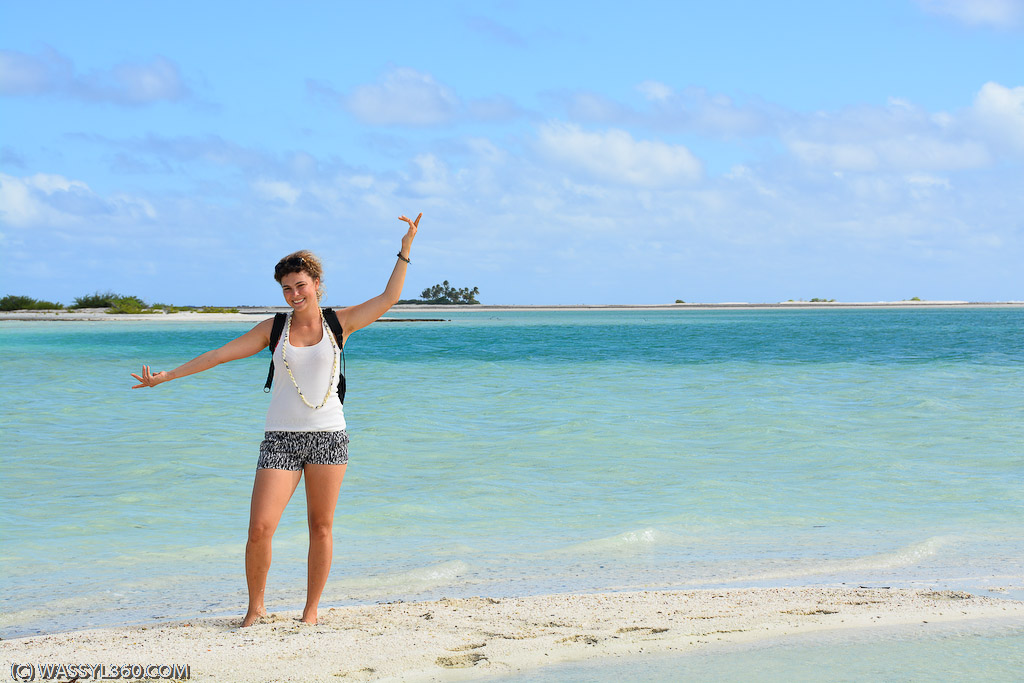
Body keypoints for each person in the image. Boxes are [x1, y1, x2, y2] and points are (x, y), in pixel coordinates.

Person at [131, 213, 420, 626]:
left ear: (317, 284)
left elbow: (389, 297)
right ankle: (255, 608)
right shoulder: (274, 328)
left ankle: (311, 611)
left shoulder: (340, 323)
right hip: (279, 439)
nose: (294, 294)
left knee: (321, 527)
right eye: (287, 288)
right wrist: (167, 376)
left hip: (328, 437)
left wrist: (405, 248)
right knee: (260, 528)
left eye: (300, 285)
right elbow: (219, 355)